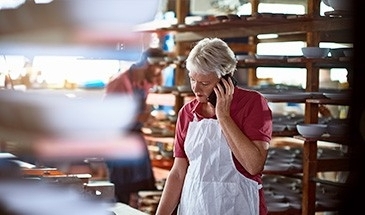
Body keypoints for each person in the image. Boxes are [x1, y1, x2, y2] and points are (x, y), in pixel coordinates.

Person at [155, 38, 273, 215]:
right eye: (192, 79)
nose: (196, 89)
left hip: (238, 207)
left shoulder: (253, 103)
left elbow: (253, 165)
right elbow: (178, 173)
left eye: (204, 83)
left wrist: (223, 116)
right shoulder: (187, 112)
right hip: (193, 207)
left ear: (225, 80)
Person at [104, 47, 168, 206]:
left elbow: (157, 84)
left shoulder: (144, 81)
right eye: (159, 67)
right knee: (123, 191)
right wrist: (139, 117)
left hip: (135, 137)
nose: (160, 73)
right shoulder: (119, 83)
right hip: (118, 140)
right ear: (147, 63)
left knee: (144, 187)